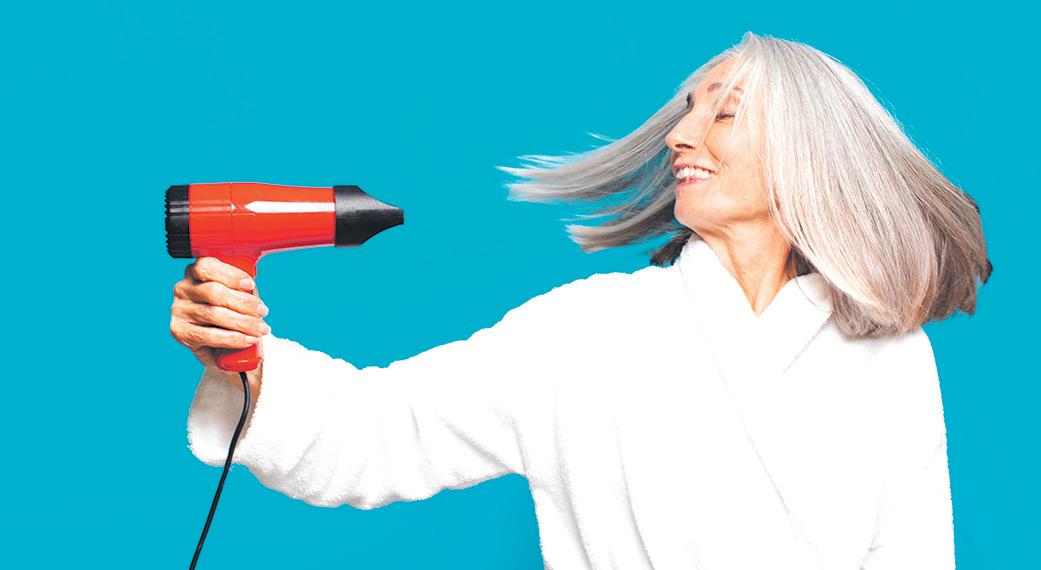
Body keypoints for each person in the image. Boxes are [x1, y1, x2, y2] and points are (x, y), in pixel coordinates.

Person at [169, 32, 990, 569]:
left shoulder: (889, 354)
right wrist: (246, 364)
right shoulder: (587, 330)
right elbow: (382, 433)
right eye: (687, 111)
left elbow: (916, 555)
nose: (680, 135)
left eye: (725, 113)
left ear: (806, 152)